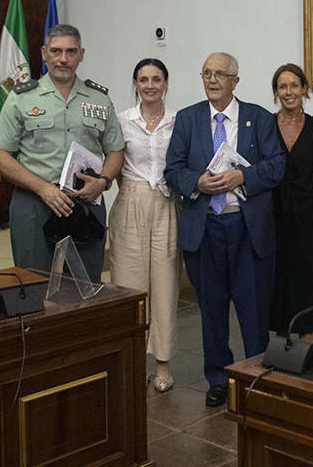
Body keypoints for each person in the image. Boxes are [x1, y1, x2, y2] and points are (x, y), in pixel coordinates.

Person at [164, 52, 285, 407]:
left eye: (220, 74)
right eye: (206, 73)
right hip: (205, 227)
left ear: (236, 80)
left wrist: (242, 176)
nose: (212, 79)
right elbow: (172, 170)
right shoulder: (187, 119)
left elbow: (277, 166)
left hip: (246, 227)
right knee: (212, 308)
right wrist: (197, 182)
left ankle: (256, 377)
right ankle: (218, 378)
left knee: (252, 308)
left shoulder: (259, 119)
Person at [0, 24, 124, 282]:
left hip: (86, 202)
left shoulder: (99, 99)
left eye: (71, 51)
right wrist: (43, 188)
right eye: (56, 51)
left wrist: (104, 182)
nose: (63, 59)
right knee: (33, 284)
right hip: (34, 204)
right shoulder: (22, 98)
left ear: (81, 54)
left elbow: (116, 150)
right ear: (43, 53)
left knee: (85, 285)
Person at [108, 58, 179, 391]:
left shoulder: (180, 122)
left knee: (164, 285)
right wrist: (134, 195)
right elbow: (113, 164)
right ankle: (132, 359)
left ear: (166, 83)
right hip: (130, 204)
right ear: (135, 84)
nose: (150, 85)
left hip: (167, 204)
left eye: (156, 79)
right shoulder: (121, 121)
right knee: (129, 286)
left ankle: (162, 365)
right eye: (143, 79)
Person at [268, 63, 313, 335]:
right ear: (276, 92)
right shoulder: (264, 126)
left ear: (304, 89)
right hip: (271, 215)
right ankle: (279, 339)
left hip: (308, 216)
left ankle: (309, 337)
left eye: (294, 85)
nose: (288, 91)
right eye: (282, 86)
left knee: (308, 276)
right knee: (276, 276)